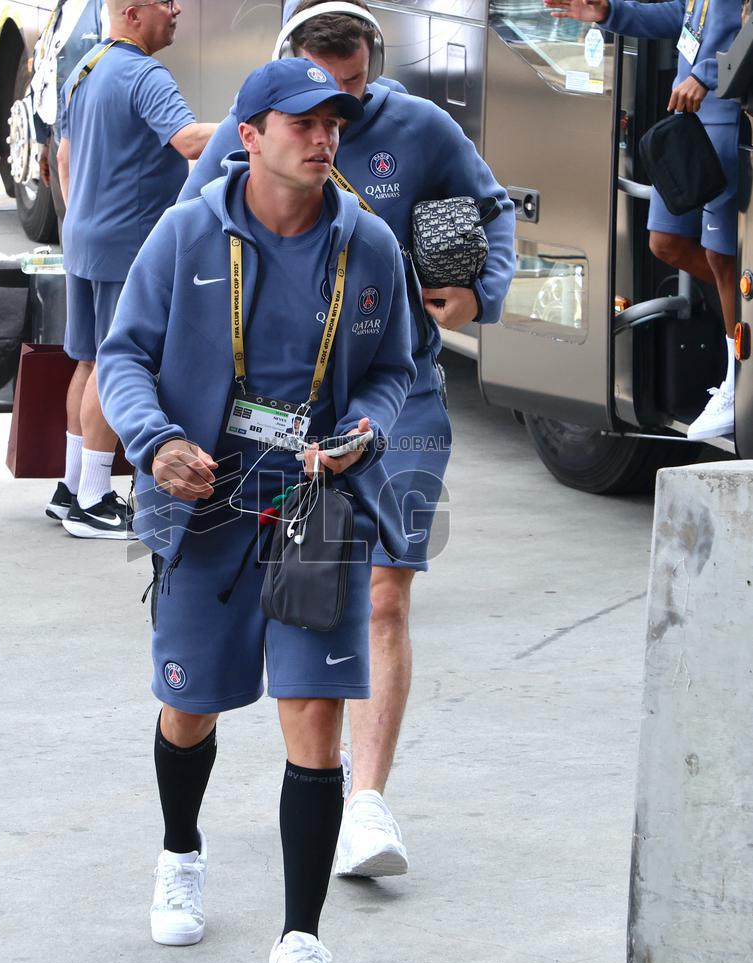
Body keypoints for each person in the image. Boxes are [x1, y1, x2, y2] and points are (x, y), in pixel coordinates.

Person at [98, 58, 415, 963]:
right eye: (302, 122)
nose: (323, 138)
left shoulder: (368, 244)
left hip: (318, 504)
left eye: (333, 123)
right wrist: (155, 442)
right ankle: (180, 852)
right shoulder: (186, 231)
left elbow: (393, 369)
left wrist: (368, 430)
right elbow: (122, 355)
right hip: (205, 503)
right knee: (190, 707)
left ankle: (299, 939)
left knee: (314, 715)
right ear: (250, 136)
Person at [181, 0, 515, 879]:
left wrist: (480, 292)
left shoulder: (421, 128)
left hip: (400, 392)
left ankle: (365, 801)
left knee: (382, 593)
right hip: (276, 412)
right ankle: (310, 776)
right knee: (282, 593)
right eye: (318, 92)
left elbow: (494, 213)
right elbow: (185, 243)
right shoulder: (252, 125)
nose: (335, 111)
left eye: (353, 83)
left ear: (375, 59)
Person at [45, 0, 216, 538]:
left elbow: (63, 157)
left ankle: (71, 486)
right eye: (166, 2)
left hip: (83, 236)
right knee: (114, 365)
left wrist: (83, 219)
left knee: (88, 361)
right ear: (135, 13)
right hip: (126, 243)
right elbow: (188, 141)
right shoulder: (145, 74)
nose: (177, 9)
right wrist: (258, 123)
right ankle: (94, 500)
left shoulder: (85, 68)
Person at [546, 0, 742, 440]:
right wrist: (608, 12)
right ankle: (740, 318)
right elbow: (680, 17)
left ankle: (737, 383)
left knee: (722, 257)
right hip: (689, 123)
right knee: (666, 243)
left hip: (727, 117)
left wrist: (706, 74)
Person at [31, 0, 107, 227]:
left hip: (87, 141)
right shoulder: (60, 10)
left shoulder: (102, 9)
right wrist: (44, 143)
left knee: (83, 225)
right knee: (67, 222)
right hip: (59, 137)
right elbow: (44, 75)